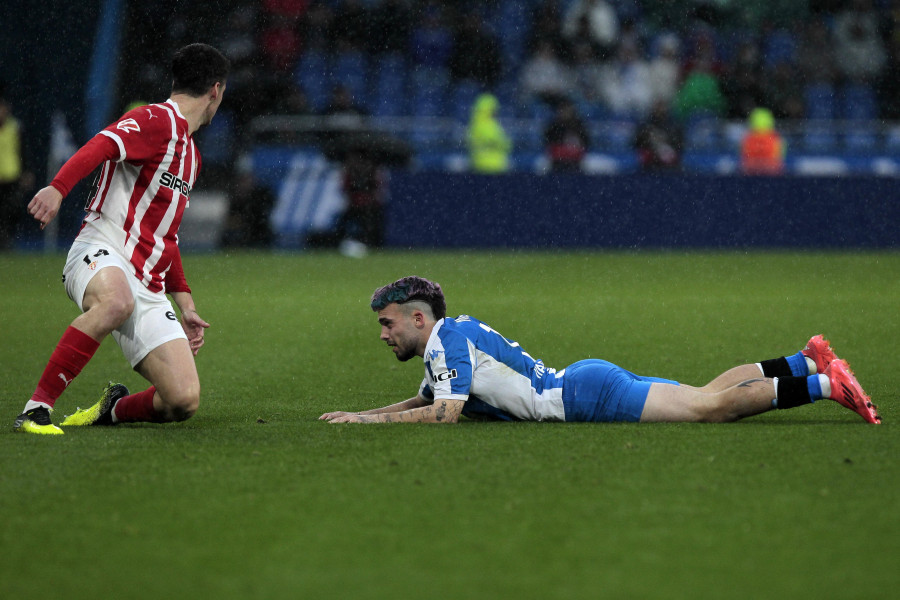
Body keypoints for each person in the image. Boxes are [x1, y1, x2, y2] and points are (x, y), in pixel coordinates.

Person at [14, 43, 230, 435]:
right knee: (116, 301)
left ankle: (110, 410)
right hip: (100, 250)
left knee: (182, 400)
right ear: (216, 90)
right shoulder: (153, 119)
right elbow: (102, 144)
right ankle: (35, 409)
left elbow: (167, 233)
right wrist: (58, 188)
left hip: (147, 284)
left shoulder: (192, 157)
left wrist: (186, 301)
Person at [320, 276, 880, 425]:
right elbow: (421, 400)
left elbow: (443, 413)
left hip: (583, 398)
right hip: (584, 383)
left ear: (420, 318)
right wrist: (361, 415)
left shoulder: (447, 343)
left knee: (709, 408)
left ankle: (828, 384)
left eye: (389, 323)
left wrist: (364, 426)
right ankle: (807, 360)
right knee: (705, 394)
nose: (384, 333)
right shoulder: (447, 343)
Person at [0, 94, 32, 250]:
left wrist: (26, 171)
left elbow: (23, 150)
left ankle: (6, 240)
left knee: (11, 210)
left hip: (11, 174)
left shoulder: (14, 127)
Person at [467, 94, 511, 174]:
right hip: (493, 167)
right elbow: (504, 143)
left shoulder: (473, 125)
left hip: (479, 166)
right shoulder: (489, 126)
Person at [543, 98, 590, 172]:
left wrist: (573, 151)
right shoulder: (554, 126)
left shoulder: (578, 126)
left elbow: (586, 143)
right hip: (557, 163)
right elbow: (548, 143)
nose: (565, 112)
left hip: (575, 163)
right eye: (562, 110)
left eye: (567, 109)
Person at [740, 107, 785, 175]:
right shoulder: (775, 139)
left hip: (753, 175)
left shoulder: (747, 139)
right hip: (770, 176)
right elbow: (778, 161)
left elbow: (745, 162)